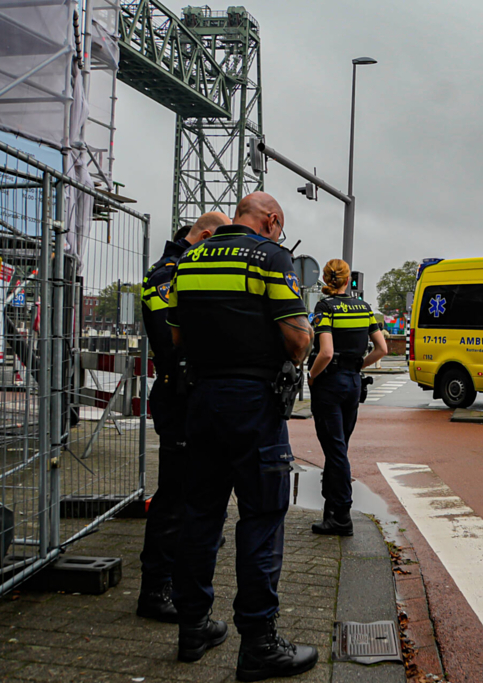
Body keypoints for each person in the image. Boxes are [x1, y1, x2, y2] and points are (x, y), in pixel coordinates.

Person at [167, 192, 318, 680]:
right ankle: (258, 643)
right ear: (272, 221)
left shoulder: (188, 261)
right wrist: (296, 350)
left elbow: (175, 337)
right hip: (253, 402)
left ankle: (192, 627)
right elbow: (296, 338)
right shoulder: (272, 257)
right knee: (261, 517)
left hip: (201, 398)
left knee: (200, 514)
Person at [137, 211, 229, 622]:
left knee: (190, 494)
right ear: (204, 237)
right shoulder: (166, 275)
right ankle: (155, 590)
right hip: (178, 396)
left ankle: (172, 580)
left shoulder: (182, 269)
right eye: (216, 247)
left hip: (191, 394)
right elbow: (170, 339)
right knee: (172, 498)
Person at [309, 259, 387, 537]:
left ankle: (341, 514)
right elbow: (382, 348)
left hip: (330, 383)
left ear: (327, 281)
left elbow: (325, 352)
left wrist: (313, 376)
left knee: (335, 449)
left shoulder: (325, 307)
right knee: (340, 446)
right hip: (353, 382)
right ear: (346, 279)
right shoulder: (364, 308)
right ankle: (332, 509)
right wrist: (358, 366)